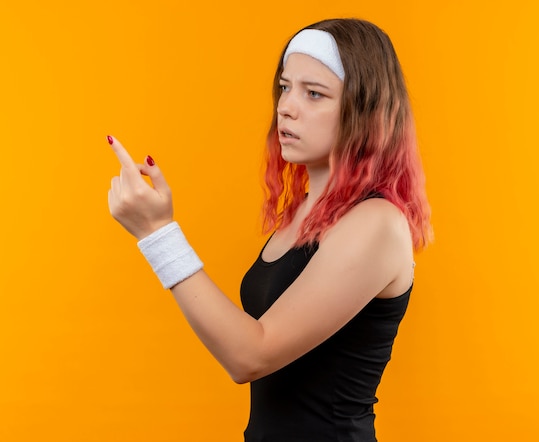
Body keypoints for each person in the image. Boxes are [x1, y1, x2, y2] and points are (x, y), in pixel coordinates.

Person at [107, 18, 432, 442]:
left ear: (364, 110)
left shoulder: (377, 224)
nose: (287, 106)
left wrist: (159, 234)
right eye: (285, 87)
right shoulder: (302, 215)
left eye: (313, 93)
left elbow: (250, 355)